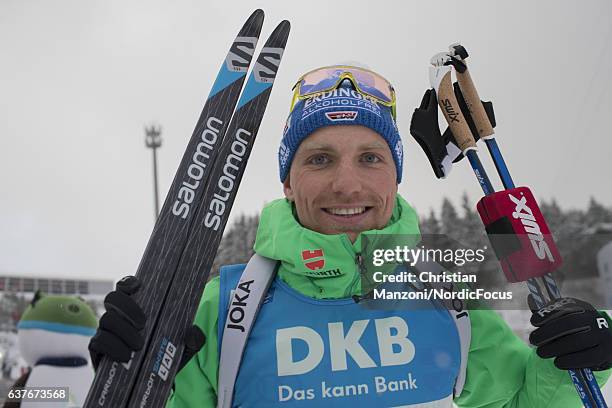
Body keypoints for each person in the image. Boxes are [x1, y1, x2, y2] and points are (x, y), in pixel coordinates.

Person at [90, 65, 612, 407]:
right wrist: (130, 385)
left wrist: (577, 361)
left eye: (370, 158)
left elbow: (528, 401)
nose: (347, 183)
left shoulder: (450, 303)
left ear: (394, 178)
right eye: (320, 159)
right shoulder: (219, 313)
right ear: (288, 185)